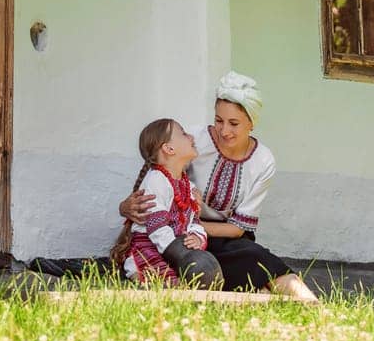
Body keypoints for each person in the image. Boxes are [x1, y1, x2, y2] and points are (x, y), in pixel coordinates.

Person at [121, 72, 317, 302]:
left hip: (224, 238)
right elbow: (156, 175)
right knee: (186, 261)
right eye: (218, 120)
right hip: (178, 237)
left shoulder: (263, 161)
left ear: (251, 123)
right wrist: (126, 206)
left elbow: (237, 229)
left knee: (254, 257)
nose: (224, 131)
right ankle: (251, 291)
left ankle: (311, 304)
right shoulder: (192, 141)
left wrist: (191, 230)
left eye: (234, 123)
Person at [109, 118, 223, 289]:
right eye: (184, 134)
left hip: (173, 251)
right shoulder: (156, 180)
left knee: (200, 276)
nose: (191, 137)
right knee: (175, 288)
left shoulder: (188, 186)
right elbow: (157, 227)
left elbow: (194, 222)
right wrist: (183, 255)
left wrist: (197, 238)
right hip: (150, 250)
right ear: (169, 149)